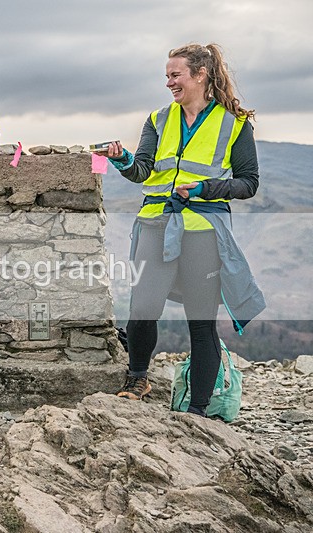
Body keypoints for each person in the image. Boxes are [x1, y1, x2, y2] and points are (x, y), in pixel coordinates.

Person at [100, 43, 265, 416]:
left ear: (200, 75)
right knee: (143, 307)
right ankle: (138, 378)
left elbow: (248, 183)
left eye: (175, 75)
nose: (169, 83)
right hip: (156, 223)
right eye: (167, 76)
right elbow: (143, 170)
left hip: (203, 230)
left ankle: (199, 409)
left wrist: (206, 188)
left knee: (201, 321)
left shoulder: (234, 123)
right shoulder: (158, 120)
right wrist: (123, 159)